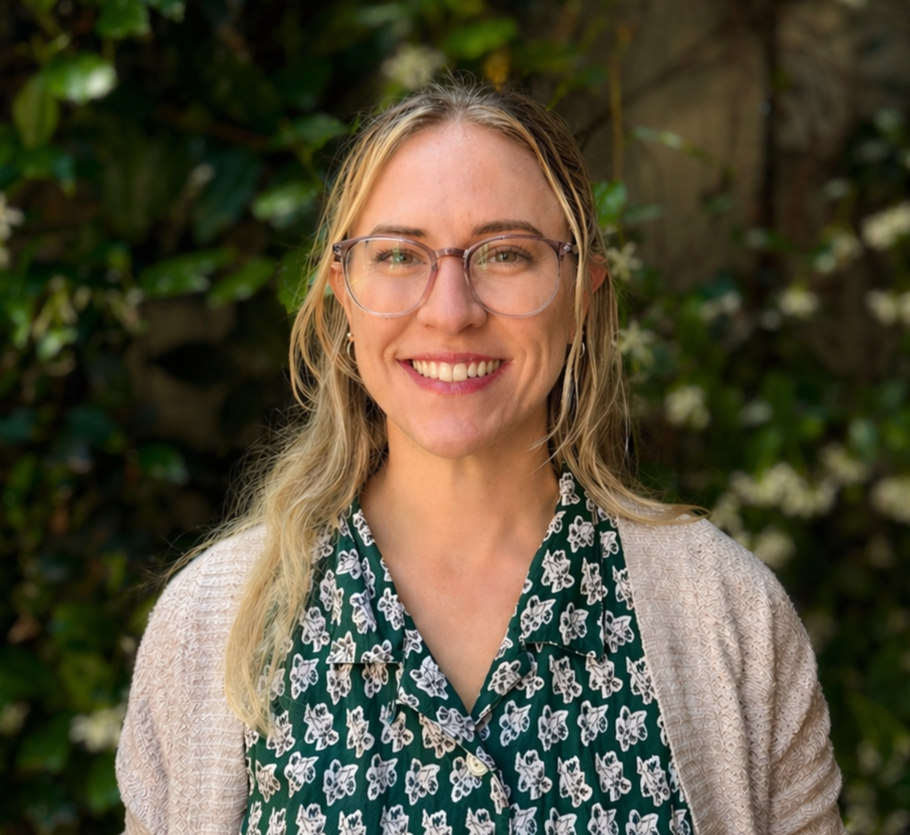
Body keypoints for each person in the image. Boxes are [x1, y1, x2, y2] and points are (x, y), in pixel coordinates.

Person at [116, 78, 846, 835]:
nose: (451, 311)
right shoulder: (211, 624)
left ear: (583, 293)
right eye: (399, 254)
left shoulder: (732, 617)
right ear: (342, 291)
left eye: (505, 253)